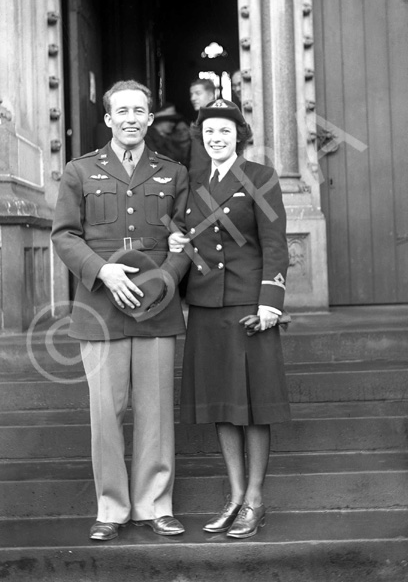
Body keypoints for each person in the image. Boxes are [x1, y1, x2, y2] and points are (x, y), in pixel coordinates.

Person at [51, 80, 190, 541]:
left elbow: (185, 239)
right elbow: (65, 235)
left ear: (150, 119)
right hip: (100, 308)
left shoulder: (174, 173)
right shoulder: (80, 171)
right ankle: (111, 509)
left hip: (157, 308)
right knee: (105, 415)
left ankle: (155, 504)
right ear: (109, 119)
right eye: (122, 111)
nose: (131, 118)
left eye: (139, 111)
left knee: (155, 412)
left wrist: (166, 279)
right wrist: (102, 272)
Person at [169, 99, 290, 539]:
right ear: (201, 139)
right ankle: (235, 497)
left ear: (238, 136)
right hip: (205, 305)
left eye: (224, 132)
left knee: (254, 406)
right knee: (223, 403)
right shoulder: (195, 183)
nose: (216, 138)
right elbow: (182, 240)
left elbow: (275, 243)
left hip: (248, 304)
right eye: (208, 133)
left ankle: (256, 500)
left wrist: (270, 303)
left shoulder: (260, 177)